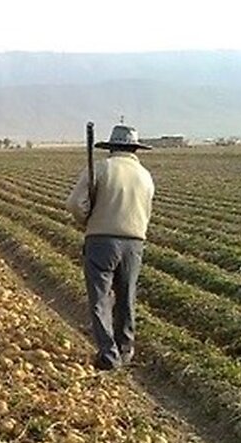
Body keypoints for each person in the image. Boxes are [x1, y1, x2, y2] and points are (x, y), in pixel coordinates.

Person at [66, 124, 155, 371]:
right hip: (134, 243)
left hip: (101, 241)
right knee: (126, 296)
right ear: (134, 149)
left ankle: (108, 354)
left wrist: (87, 219)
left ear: (111, 147)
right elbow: (147, 212)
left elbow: (74, 203)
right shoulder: (146, 176)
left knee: (100, 298)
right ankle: (125, 350)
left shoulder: (101, 169)